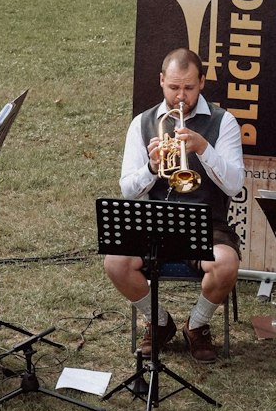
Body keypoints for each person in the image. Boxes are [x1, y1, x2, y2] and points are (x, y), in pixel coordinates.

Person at [103, 48, 245, 362]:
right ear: (161, 81)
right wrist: (153, 168)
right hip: (156, 221)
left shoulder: (224, 123)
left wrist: (204, 148)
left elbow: (235, 185)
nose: (181, 97)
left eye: (189, 88)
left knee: (226, 265)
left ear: (202, 83)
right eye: (174, 88)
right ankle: (159, 322)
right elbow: (128, 189)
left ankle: (196, 325)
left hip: (207, 222)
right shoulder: (142, 124)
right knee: (115, 263)